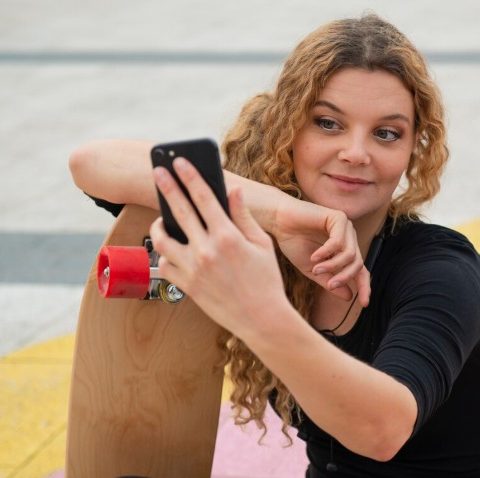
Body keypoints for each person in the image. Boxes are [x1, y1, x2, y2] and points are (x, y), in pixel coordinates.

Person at [69, 13, 480, 478]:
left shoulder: (443, 270)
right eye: (328, 123)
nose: (355, 153)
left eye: (386, 133)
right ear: (289, 128)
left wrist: (258, 308)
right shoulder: (254, 237)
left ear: (412, 149)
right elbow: (93, 164)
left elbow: (383, 429)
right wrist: (282, 215)